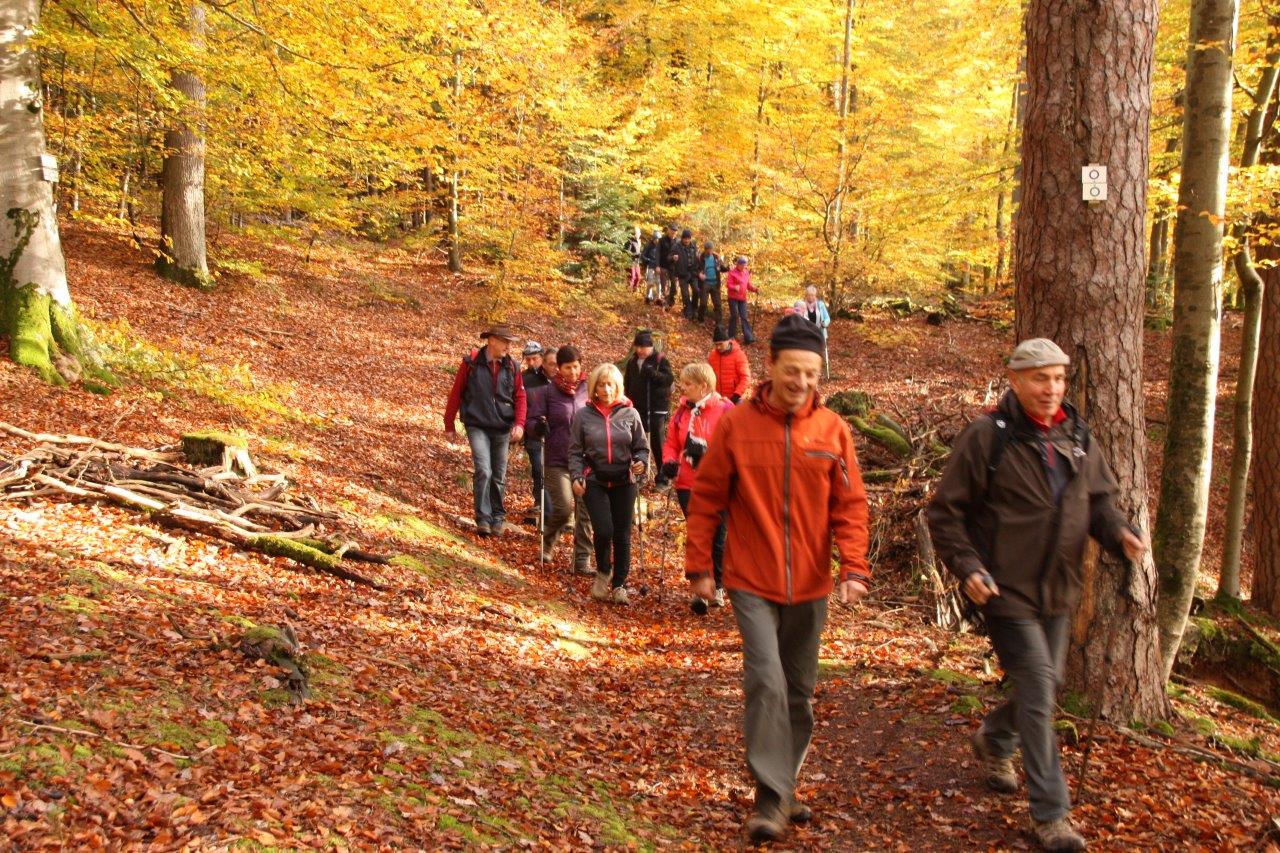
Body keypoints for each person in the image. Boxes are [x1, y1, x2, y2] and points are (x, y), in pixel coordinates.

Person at [926, 338, 1150, 853]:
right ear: (1014, 379)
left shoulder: (1077, 436)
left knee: (1046, 686)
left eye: (1058, 379)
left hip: (1060, 587)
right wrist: (968, 566)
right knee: (1039, 688)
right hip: (1004, 589)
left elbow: (1099, 503)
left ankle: (996, 739)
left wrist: (1120, 534)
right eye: (1039, 379)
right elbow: (945, 513)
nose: (1051, 389)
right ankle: (1051, 815)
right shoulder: (987, 437)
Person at [684, 313, 870, 843]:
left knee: (799, 694)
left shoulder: (833, 430)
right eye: (794, 371)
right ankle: (769, 798)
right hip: (750, 580)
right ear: (771, 366)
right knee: (766, 681)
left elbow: (850, 507)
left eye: (812, 374)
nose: (803, 382)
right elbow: (708, 498)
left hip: (811, 583)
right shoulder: (738, 424)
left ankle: (785, 783)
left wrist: (854, 568)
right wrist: (700, 567)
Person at [569, 363, 650, 604]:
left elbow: (641, 447)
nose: (606, 389)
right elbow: (575, 451)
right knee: (604, 530)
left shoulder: (630, 413)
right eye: (601, 384)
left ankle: (620, 585)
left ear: (618, 387)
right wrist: (576, 475)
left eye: (610, 384)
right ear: (594, 387)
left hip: (625, 481)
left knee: (622, 534)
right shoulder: (583, 415)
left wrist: (640, 462)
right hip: (595, 479)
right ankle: (603, 572)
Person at [660, 362, 733, 612]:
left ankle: (718, 585)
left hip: (718, 484)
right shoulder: (682, 412)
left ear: (703, 386)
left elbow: (737, 444)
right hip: (687, 483)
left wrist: (708, 453)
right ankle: (700, 591)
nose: (684, 387)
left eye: (688, 384)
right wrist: (669, 462)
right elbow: (671, 442)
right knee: (697, 535)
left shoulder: (725, 409)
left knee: (717, 537)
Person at [443, 324, 527, 537]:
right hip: (477, 424)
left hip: (502, 427)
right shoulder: (471, 363)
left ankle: (497, 517)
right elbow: (456, 393)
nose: (508, 346)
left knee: (499, 474)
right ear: (491, 341)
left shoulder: (513, 367)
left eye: (510, 342)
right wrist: (449, 424)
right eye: (505, 341)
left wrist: (519, 424)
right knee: (484, 470)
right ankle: (483, 517)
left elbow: (520, 397)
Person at [528, 345, 594, 574]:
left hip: (586, 460)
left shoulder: (589, 389)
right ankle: (547, 542)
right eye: (568, 368)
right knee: (565, 507)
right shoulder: (548, 392)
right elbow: (532, 421)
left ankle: (582, 560)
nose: (573, 372)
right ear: (559, 368)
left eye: (576, 367)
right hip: (557, 458)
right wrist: (539, 426)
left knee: (585, 511)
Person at [622, 329, 675, 480]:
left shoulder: (659, 360)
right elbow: (628, 382)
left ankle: (663, 476)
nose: (639, 350)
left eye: (643, 347)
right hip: (637, 408)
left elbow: (668, 380)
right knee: (639, 442)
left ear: (650, 346)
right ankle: (641, 473)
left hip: (656, 409)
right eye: (637, 346)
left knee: (657, 444)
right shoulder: (632, 361)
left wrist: (654, 374)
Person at [520, 341, 553, 527]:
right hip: (533, 430)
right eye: (528, 359)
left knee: (550, 468)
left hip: (554, 432)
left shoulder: (552, 376)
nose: (531, 363)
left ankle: (549, 502)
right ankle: (540, 500)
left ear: (542, 358)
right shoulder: (524, 379)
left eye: (534, 359)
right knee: (538, 467)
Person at [707, 326, 751, 405]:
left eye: (721, 344)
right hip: (718, 399)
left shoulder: (739, 355)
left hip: (736, 398)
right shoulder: (712, 356)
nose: (718, 347)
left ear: (728, 341)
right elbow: (708, 377)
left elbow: (746, 378)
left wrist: (736, 395)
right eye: (716, 344)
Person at [725, 255, 757, 345]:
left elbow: (748, 285)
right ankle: (731, 336)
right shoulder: (732, 272)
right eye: (742, 264)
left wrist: (755, 289)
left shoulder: (746, 273)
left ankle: (748, 337)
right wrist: (734, 287)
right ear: (738, 264)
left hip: (742, 298)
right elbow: (728, 284)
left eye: (745, 264)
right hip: (733, 298)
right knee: (734, 315)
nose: (743, 266)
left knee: (744, 317)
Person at [673, 228, 701, 319]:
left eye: (688, 238)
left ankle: (694, 308)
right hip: (682, 274)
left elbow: (698, 258)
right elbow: (669, 257)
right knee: (685, 294)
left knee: (696, 290)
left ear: (690, 238)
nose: (686, 240)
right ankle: (688, 310)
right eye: (684, 238)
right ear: (682, 238)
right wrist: (673, 257)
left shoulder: (694, 246)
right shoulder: (677, 246)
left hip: (693, 273)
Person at [696, 241, 725, 326]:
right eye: (708, 250)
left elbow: (722, 268)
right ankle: (700, 320)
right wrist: (699, 274)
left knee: (718, 304)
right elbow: (695, 269)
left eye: (711, 250)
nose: (709, 251)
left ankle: (719, 323)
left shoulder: (716, 257)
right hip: (705, 283)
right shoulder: (700, 258)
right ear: (705, 250)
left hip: (715, 283)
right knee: (703, 303)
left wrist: (727, 267)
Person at [658, 225, 678, 309]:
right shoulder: (662, 240)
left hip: (673, 267)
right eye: (672, 232)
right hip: (663, 266)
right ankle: (665, 303)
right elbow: (657, 253)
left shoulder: (678, 241)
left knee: (674, 285)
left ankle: (671, 299)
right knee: (664, 286)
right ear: (669, 230)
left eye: (675, 233)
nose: (673, 234)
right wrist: (657, 266)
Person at [641, 230, 662, 304]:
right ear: (653, 238)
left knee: (658, 283)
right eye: (656, 239)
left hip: (658, 267)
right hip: (650, 267)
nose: (657, 241)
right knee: (650, 282)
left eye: (658, 239)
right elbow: (643, 256)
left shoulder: (661, 247)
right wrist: (649, 260)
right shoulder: (648, 246)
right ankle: (648, 297)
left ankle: (658, 298)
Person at [625, 228, 643, 293]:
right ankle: (628, 292)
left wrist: (640, 256)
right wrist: (636, 254)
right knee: (632, 277)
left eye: (639, 233)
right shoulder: (629, 242)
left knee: (638, 277)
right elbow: (627, 253)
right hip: (630, 262)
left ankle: (634, 290)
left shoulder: (639, 241)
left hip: (637, 262)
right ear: (634, 234)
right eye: (638, 233)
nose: (639, 234)